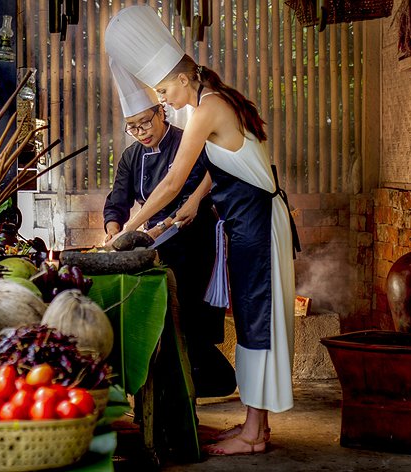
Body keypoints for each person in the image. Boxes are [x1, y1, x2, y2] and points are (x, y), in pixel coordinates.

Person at [105, 5, 299, 456]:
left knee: (259, 323)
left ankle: (254, 434)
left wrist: (125, 231)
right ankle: (255, 427)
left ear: (187, 78)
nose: (166, 99)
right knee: (251, 322)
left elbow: (173, 179)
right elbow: (220, 165)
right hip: (248, 226)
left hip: (258, 226)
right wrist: (194, 202)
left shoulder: (206, 108)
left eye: (167, 89)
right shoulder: (211, 104)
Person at [104, 58, 235, 398]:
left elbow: (189, 187)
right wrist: (113, 226)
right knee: (163, 316)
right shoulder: (132, 157)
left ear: (160, 113)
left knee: (189, 316)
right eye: (133, 127)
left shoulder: (186, 138)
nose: (141, 132)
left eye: (145, 122)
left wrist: (141, 230)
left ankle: (205, 381)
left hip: (193, 239)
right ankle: (177, 381)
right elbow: (117, 199)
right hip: (156, 243)